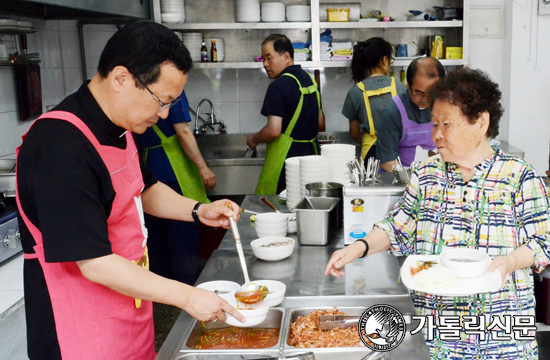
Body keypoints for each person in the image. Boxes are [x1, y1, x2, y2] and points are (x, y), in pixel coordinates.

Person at [16, 21, 244, 360]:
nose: (164, 113)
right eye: (161, 100)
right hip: (79, 331)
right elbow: (94, 263)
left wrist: (197, 210)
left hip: (128, 311)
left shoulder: (119, 127)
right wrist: (187, 296)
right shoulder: (60, 146)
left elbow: (142, 188)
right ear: (121, 78)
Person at [325, 68, 550, 359]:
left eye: (447, 124)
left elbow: (542, 242)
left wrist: (509, 262)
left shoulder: (519, 176)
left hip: (501, 338)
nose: (437, 135)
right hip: (439, 336)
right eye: (434, 124)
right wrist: (359, 247)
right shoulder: (426, 175)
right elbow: (397, 227)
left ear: (481, 122)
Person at [139, 89, 216, 285]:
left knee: (156, 241)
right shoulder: (170, 87)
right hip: (173, 172)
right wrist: (203, 167)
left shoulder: (139, 86)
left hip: (146, 171)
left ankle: (162, 298)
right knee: (182, 239)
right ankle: (186, 290)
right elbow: (182, 131)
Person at [247, 34, 325, 195]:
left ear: (287, 57)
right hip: (312, 162)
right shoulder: (311, 81)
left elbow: (273, 131)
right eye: (263, 59)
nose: (265, 64)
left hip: (287, 164)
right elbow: (321, 124)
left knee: (280, 210)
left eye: (269, 58)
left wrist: (254, 138)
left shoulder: (278, 86)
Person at [341, 37, 408, 160]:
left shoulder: (355, 92)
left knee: (371, 180)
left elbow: (354, 133)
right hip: (398, 151)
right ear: (384, 60)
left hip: (370, 154)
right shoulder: (402, 88)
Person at [376, 57, 445, 172]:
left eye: (431, 93)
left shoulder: (448, 107)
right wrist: (412, 181)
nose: (425, 99)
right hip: (401, 180)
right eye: (418, 92)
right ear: (408, 85)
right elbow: (387, 162)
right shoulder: (393, 112)